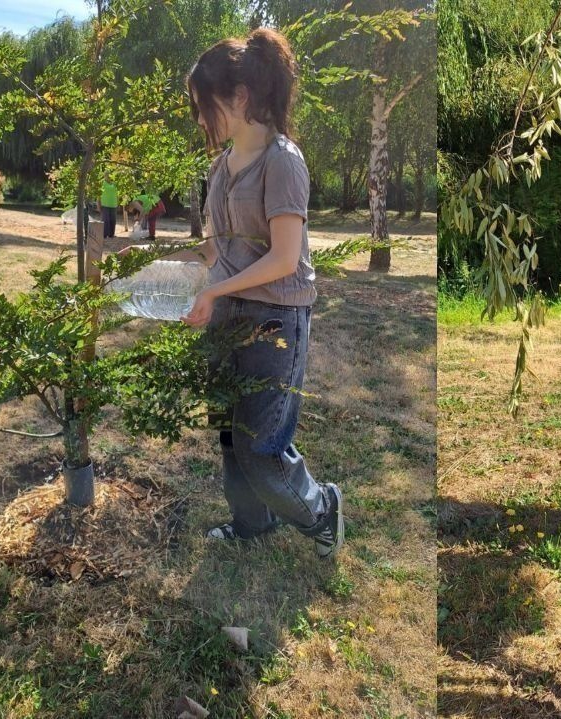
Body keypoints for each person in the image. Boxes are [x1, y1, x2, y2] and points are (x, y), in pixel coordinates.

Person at [156, 28, 342, 558]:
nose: (198, 118)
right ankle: (252, 525)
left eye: (201, 105)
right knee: (230, 434)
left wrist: (217, 294)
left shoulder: (282, 160)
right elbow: (217, 253)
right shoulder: (220, 168)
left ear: (237, 98)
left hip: (275, 318)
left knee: (261, 447)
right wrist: (164, 271)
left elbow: (283, 258)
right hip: (229, 313)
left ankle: (321, 508)